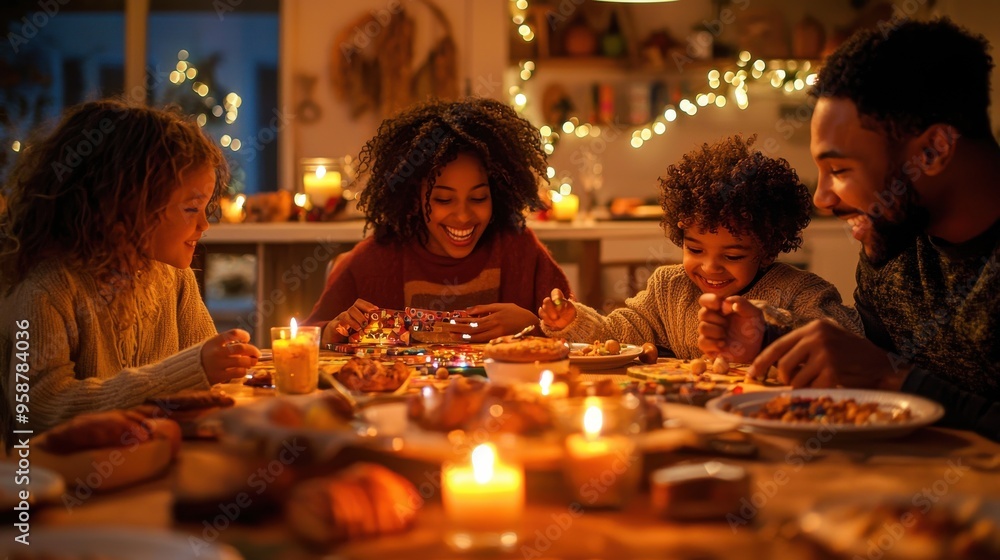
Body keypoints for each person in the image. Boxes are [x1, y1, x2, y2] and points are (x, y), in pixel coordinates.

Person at [697, 19, 1000, 439]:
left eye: (838, 169)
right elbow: (876, 365)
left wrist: (892, 379)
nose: (822, 198)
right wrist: (768, 342)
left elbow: (890, 376)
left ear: (933, 150)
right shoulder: (892, 244)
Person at [0, 99, 260, 436]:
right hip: (56, 478)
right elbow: (35, 409)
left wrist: (229, 365)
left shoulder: (174, 278)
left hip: (151, 457)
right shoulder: (44, 288)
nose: (204, 225)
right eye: (191, 208)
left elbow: (204, 383)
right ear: (126, 206)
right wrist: (186, 372)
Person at [538, 135, 861, 358]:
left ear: (768, 248)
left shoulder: (799, 291)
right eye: (695, 250)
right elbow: (620, 335)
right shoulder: (669, 290)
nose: (709, 267)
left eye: (732, 255)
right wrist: (572, 321)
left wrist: (772, 328)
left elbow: (848, 340)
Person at [305, 97, 572, 344]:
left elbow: (577, 334)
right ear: (413, 197)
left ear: (498, 194)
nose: (463, 215)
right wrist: (334, 330)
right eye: (444, 200)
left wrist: (532, 325)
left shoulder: (521, 250)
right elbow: (308, 336)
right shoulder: (373, 259)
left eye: (478, 198)